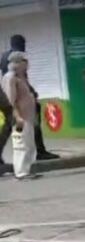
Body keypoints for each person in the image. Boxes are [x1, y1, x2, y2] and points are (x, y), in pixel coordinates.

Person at [0, 34, 58, 162]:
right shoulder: (18, 57)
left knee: (9, 126)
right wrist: (32, 92)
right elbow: (22, 78)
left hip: (7, 95)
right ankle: (40, 151)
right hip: (20, 97)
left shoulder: (4, 57)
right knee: (32, 124)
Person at [1, 52, 38, 180]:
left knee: (29, 144)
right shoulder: (10, 77)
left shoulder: (21, 77)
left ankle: (26, 170)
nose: (27, 63)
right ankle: (21, 172)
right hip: (20, 117)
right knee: (21, 144)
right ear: (17, 62)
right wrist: (17, 117)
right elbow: (11, 100)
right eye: (24, 60)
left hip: (28, 116)